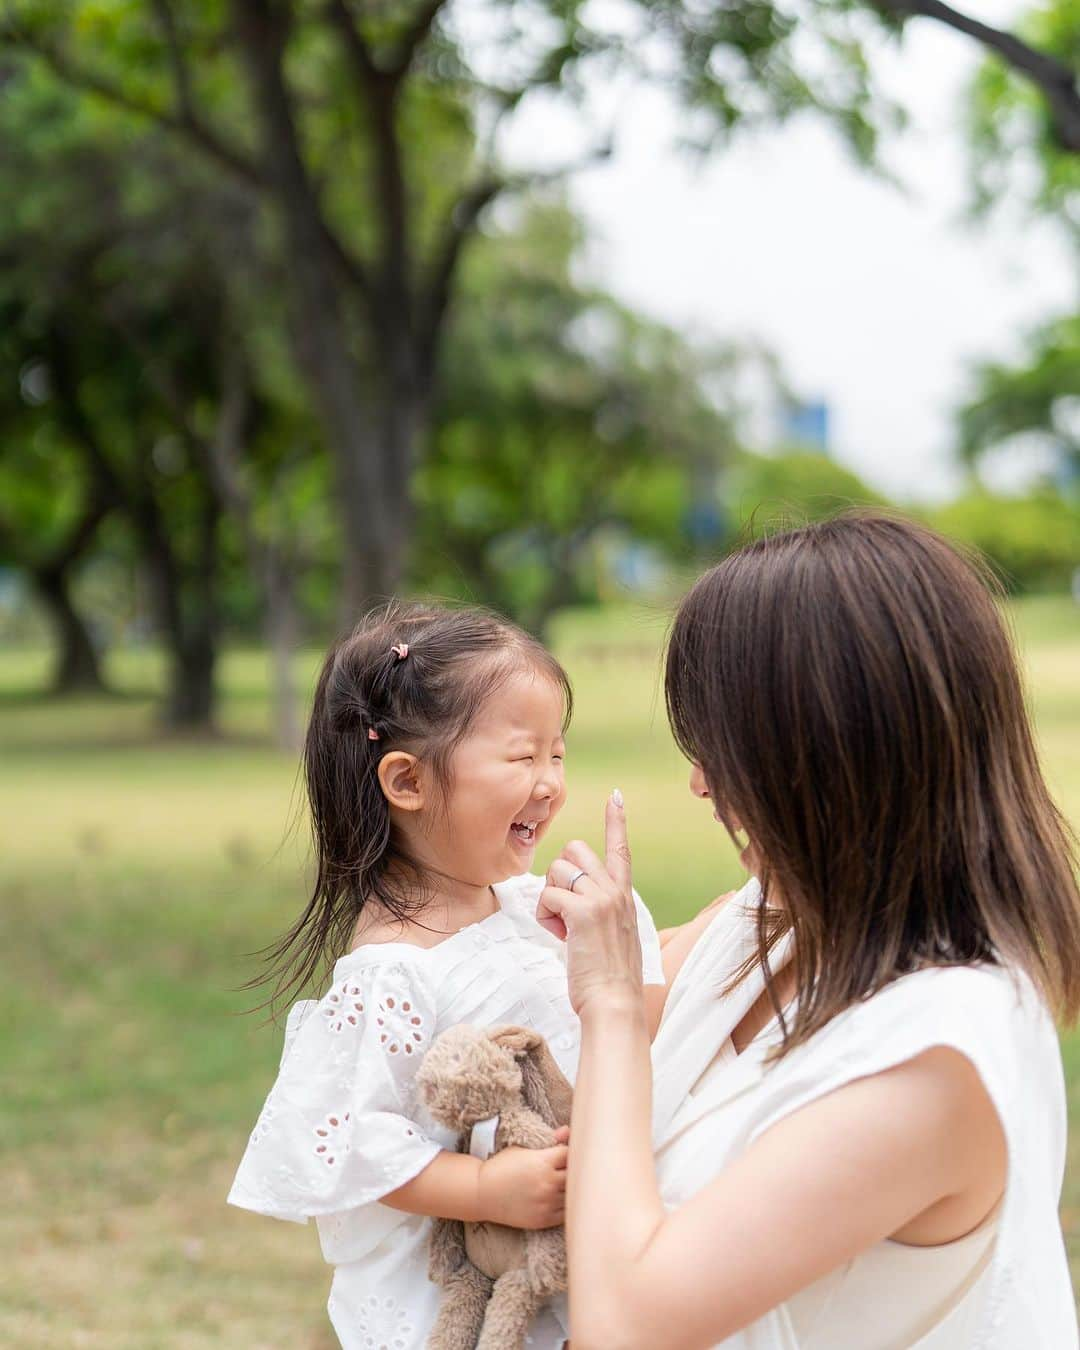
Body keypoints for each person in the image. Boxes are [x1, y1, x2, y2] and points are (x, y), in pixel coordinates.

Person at [538, 513, 1080, 1349]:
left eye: (723, 746)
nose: (698, 781)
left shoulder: (942, 1055)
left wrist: (612, 1003)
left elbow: (626, 1324)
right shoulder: (769, 925)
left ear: (828, 755)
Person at [227, 602, 663, 1350]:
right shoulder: (394, 970)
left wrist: (616, 933)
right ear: (408, 781)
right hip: (461, 1291)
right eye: (523, 756)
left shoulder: (531, 906)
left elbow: (633, 1026)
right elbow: (357, 1142)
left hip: (568, 1256)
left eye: (557, 754)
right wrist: (486, 1191)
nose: (551, 782)